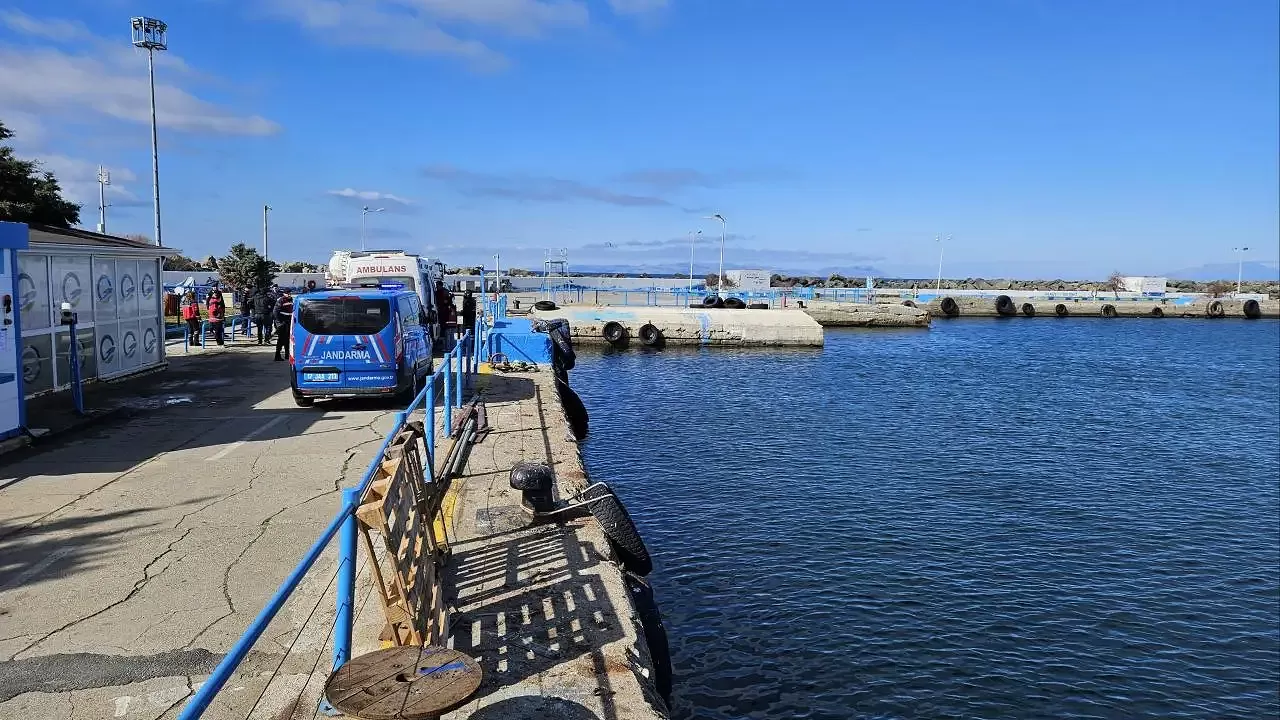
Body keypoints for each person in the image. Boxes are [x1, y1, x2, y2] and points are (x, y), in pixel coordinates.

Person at [272, 289, 294, 361]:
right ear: (284, 294)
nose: (289, 295)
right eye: (287, 293)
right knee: (281, 339)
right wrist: (278, 323)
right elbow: (275, 312)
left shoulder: (290, 300)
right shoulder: (281, 300)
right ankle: (277, 355)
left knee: (287, 339)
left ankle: (287, 355)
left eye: (290, 293)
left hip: (288, 322)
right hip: (282, 322)